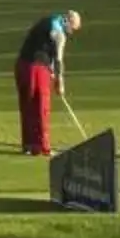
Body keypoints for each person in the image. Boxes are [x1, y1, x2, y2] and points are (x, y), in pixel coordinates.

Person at [15, 9, 81, 156]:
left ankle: (28, 145)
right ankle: (42, 147)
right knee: (41, 107)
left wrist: (50, 72)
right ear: (69, 23)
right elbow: (58, 59)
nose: (71, 33)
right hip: (37, 69)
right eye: (73, 29)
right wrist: (60, 82)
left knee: (27, 105)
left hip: (21, 65)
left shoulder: (49, 20)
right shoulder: (60, 33)